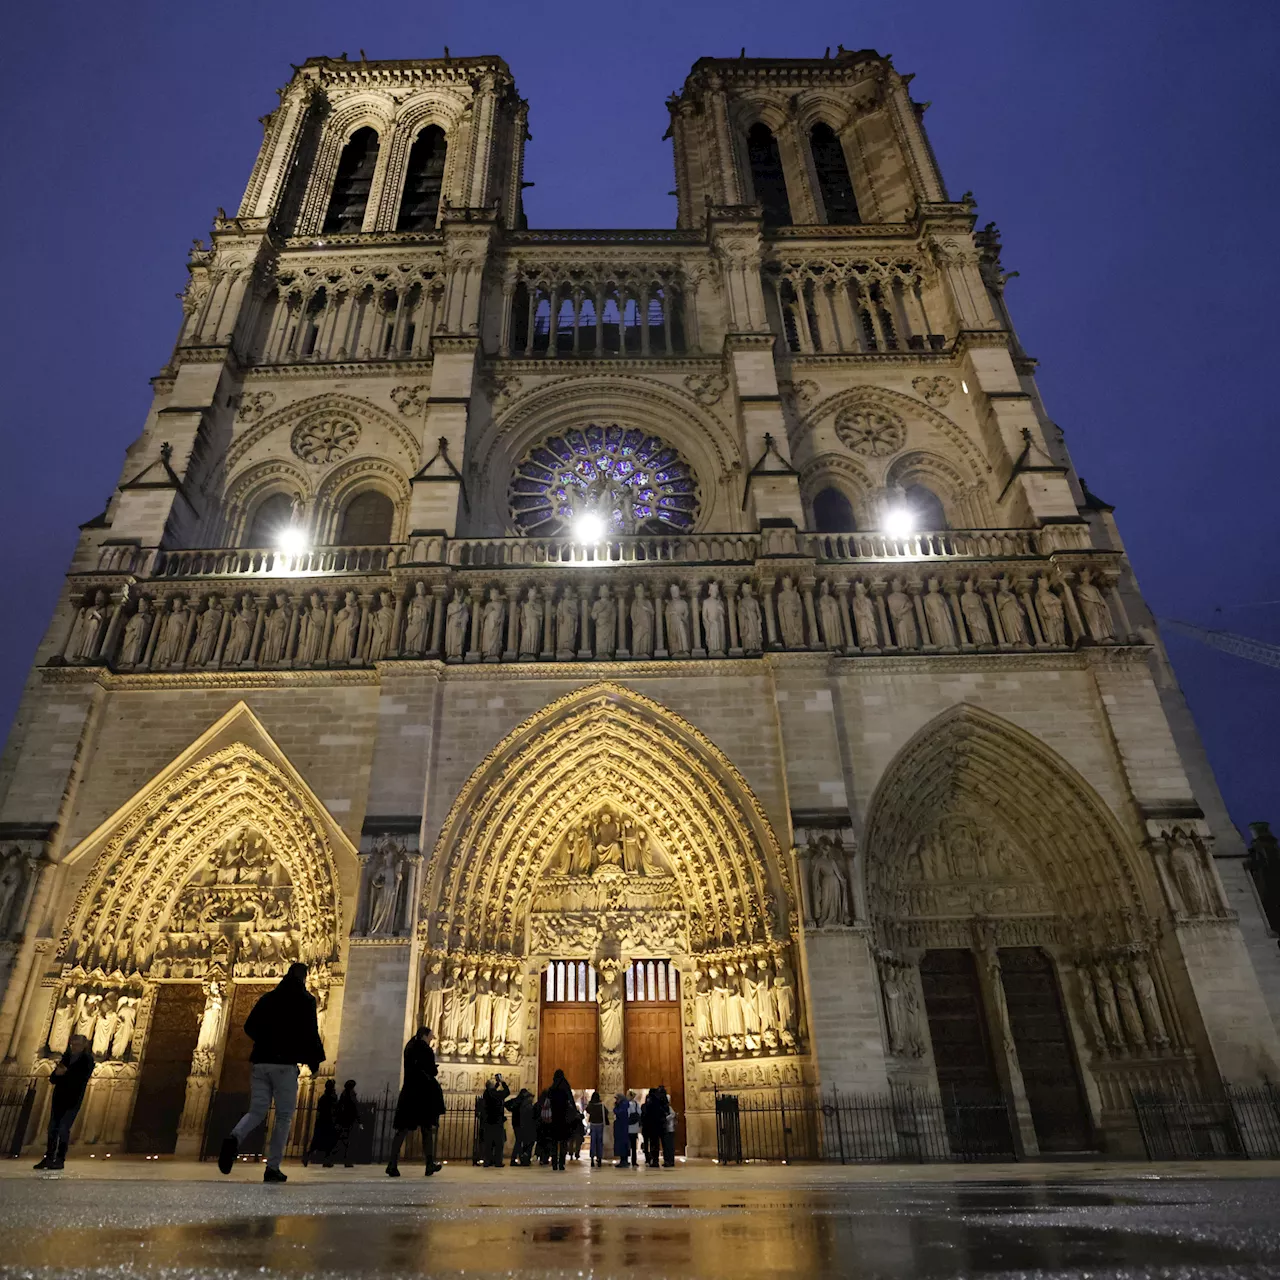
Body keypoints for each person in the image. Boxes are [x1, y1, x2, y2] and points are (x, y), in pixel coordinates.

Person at [218, 962, 325, 1183]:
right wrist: (313, 1060)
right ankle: (273, 1167)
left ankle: (234, 1137)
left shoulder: (268, 998)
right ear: (303, 978)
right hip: (285, 1066)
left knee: (256, 1110)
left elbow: (249, 1026)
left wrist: (266, 1041)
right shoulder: (305, 1001)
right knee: (284, 1116)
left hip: (260, 1063)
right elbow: (310, 1032)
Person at [386, 1028, 445, 1176]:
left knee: (402, 1130)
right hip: (423, 1094)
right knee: (426, 1130)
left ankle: (392, 1163)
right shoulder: (425, 1049)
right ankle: (429, 1164)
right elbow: (431, 1070)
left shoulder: (409, 1046)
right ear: (425, 1035)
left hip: (409, 1092)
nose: (431, 1039)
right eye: (430, 1037)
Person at [33, 1033, 94, 1170]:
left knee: (63, 1128)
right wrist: (57, 1074)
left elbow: (83, 1078)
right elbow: (53, 1079)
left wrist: (66, 1073)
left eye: (77, 1044)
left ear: (84, 1045)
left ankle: (60, 1159)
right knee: (52, 1128)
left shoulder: (87, 1060)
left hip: (73, 1099)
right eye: (73, 1044)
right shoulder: (66, 1058)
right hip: (59, 1098)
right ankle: (48, 1158)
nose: (74, 1047)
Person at [479, 1074, 510, 1167]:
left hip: (488, 1121)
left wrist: (496, 1084)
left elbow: (491, 1091)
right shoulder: (496, 1095)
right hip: (497, 1121)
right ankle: (497, 1161)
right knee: (498, 1143)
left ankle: (487, 1161)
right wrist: (502, 1082)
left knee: (488, 1143)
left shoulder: (486, 1094)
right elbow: (507, 1092)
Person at [307, 1080, 339, 1167]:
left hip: (323, 1122)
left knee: (320, 1142)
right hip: (328, 1122)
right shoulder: (330, 1097)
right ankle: (325, 1159)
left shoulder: (324, 1097)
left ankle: (310, 1156)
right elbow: (334, 1109)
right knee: (328, 1142)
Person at [506, 1087, 537, 1167]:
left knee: (520, 1141)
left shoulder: (517, 1101)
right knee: (519, 1141)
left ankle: (520, 1158)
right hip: (519, 1124)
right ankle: (516, 1159)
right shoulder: (520, 1102)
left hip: (517, 1123)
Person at [586, 1090, 608, 1168]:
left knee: (593, 1142)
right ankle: (599, 1158)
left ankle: (592, 1158)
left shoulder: (591, 1105)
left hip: (593, 1124)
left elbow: (587, 1110)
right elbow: (606, 1112)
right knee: (599, 1142)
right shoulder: (601, 1105)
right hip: (600, 1125)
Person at [612, 1091, 631, 1167]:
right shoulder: (624, 1104)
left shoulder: (623, 1105)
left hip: (622, 1127)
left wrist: (615, 1109)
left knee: (622, 1144)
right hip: (621, 1127)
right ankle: (623, 1159)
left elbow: (620, 1113)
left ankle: (624, 1160)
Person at [660, 1087, 678, 1168]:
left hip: (669, 1128)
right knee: (666, 1146)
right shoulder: (665, 1107)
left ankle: (670, 1160)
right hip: (666, 1128)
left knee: (669, 1146)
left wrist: (665, 1118)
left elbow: (673, 1114)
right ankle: (667, 1160)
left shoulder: (669, 1108)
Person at [626, 1090, 641, 1168]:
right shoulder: (636, 1104)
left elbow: (627, 1114)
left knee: (627, 1145)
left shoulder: (627, 1104)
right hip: (635, 1127)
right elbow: (639, 1113)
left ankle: (626, 1160)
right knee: (634, 1146)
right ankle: (634, 1161)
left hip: (628, 1127)